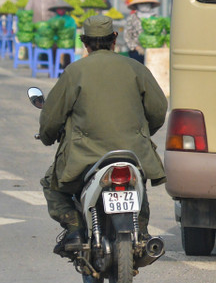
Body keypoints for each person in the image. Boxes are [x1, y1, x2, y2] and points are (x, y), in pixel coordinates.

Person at [38, 15, 168, 253]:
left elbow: (52, 116)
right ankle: (141, 230)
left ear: (85, 42)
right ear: (114, 39)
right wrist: (142, 133)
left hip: (84, 157)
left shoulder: (75, 72)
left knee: (51, 183)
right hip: (133, 152)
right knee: (138, 182)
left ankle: (75, 229)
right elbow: (159, 110)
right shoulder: (136, 69)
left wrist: (46, 136)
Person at [123, 0, 161, 64]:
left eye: (146, 3)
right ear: (137, 5)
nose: (144, 5)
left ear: (150, 4)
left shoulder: (156, 18)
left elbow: (162, 33)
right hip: (137, 52)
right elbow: (127, 36)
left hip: (153, 51)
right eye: (141, 4)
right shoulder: (132, 18)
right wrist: (136, 47)